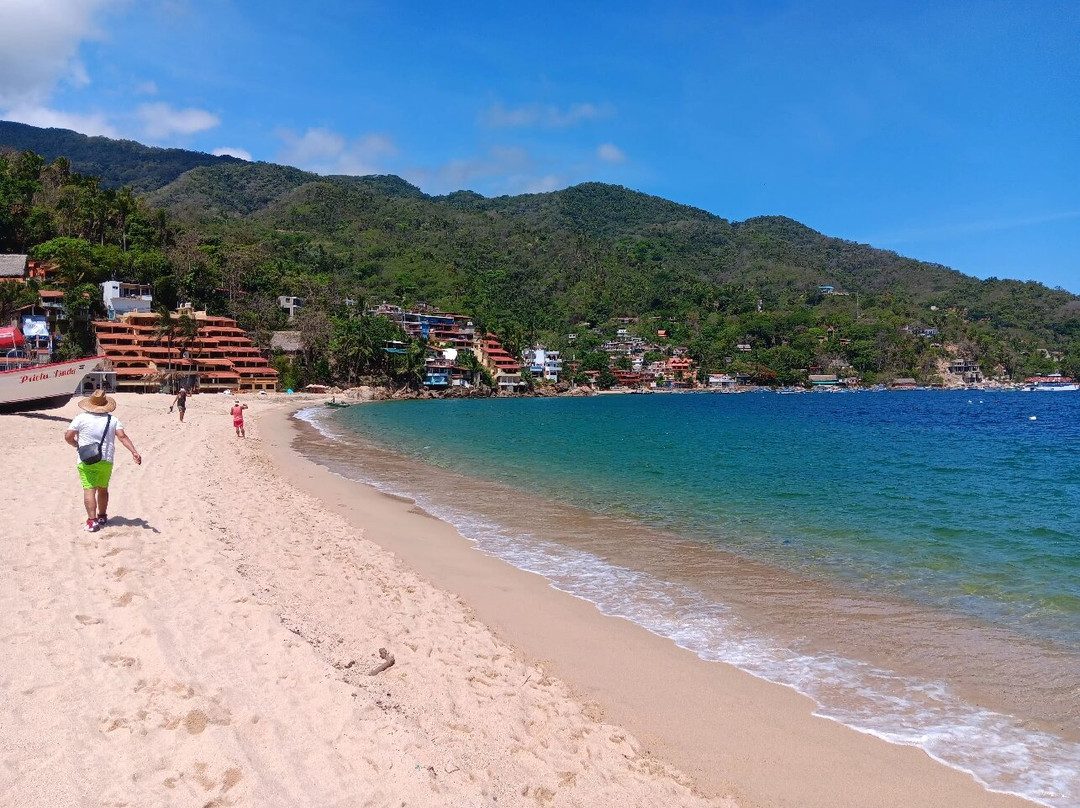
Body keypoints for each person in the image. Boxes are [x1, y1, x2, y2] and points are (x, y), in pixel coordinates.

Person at [64, 389, 142, 533]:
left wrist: (76, 445)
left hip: (86, 459)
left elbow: (68, 436)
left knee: (89, 489)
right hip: (106, 459)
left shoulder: (81, 418)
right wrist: (134, 452)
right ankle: (102, 516)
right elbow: (122, 437)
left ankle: (92, 522)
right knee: (103, 489)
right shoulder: (112, 420)